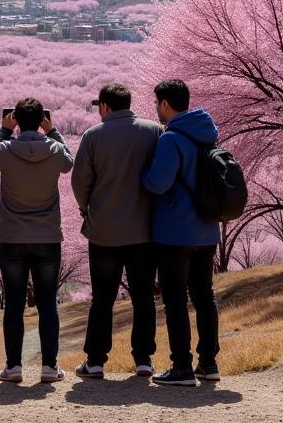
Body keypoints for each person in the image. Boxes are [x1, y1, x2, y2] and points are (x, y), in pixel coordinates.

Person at [71, 82, 161, 379]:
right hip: (144, 230)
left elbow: (79, 182)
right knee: (144, 295)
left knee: (103, 298)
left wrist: (88, 208)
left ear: (105, 107)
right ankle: (144, 359)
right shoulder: (153, 131)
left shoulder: (93, 136)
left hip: (104, 231)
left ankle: (96, 360)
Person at [0, 97, 73, 384]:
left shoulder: (7, 149)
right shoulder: (55, 149)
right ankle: (49, 367)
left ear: (17, 120)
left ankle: (14, 367)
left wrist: (3, 131)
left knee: (14, 304)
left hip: (12, 237)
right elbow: (69, 163)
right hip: (47, 236)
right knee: (48, 303)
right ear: (41, 120)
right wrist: (54, 130)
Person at [141, 78, 222, 387]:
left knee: (175, 300)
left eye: (157, 104)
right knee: (204, 296)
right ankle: (209, 362)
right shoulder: (207, 134)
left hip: (175, 233)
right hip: (207, 231)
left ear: (165, 104)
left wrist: (143, 176)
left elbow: (158, 183)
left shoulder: (171, 139)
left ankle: (182, 367)